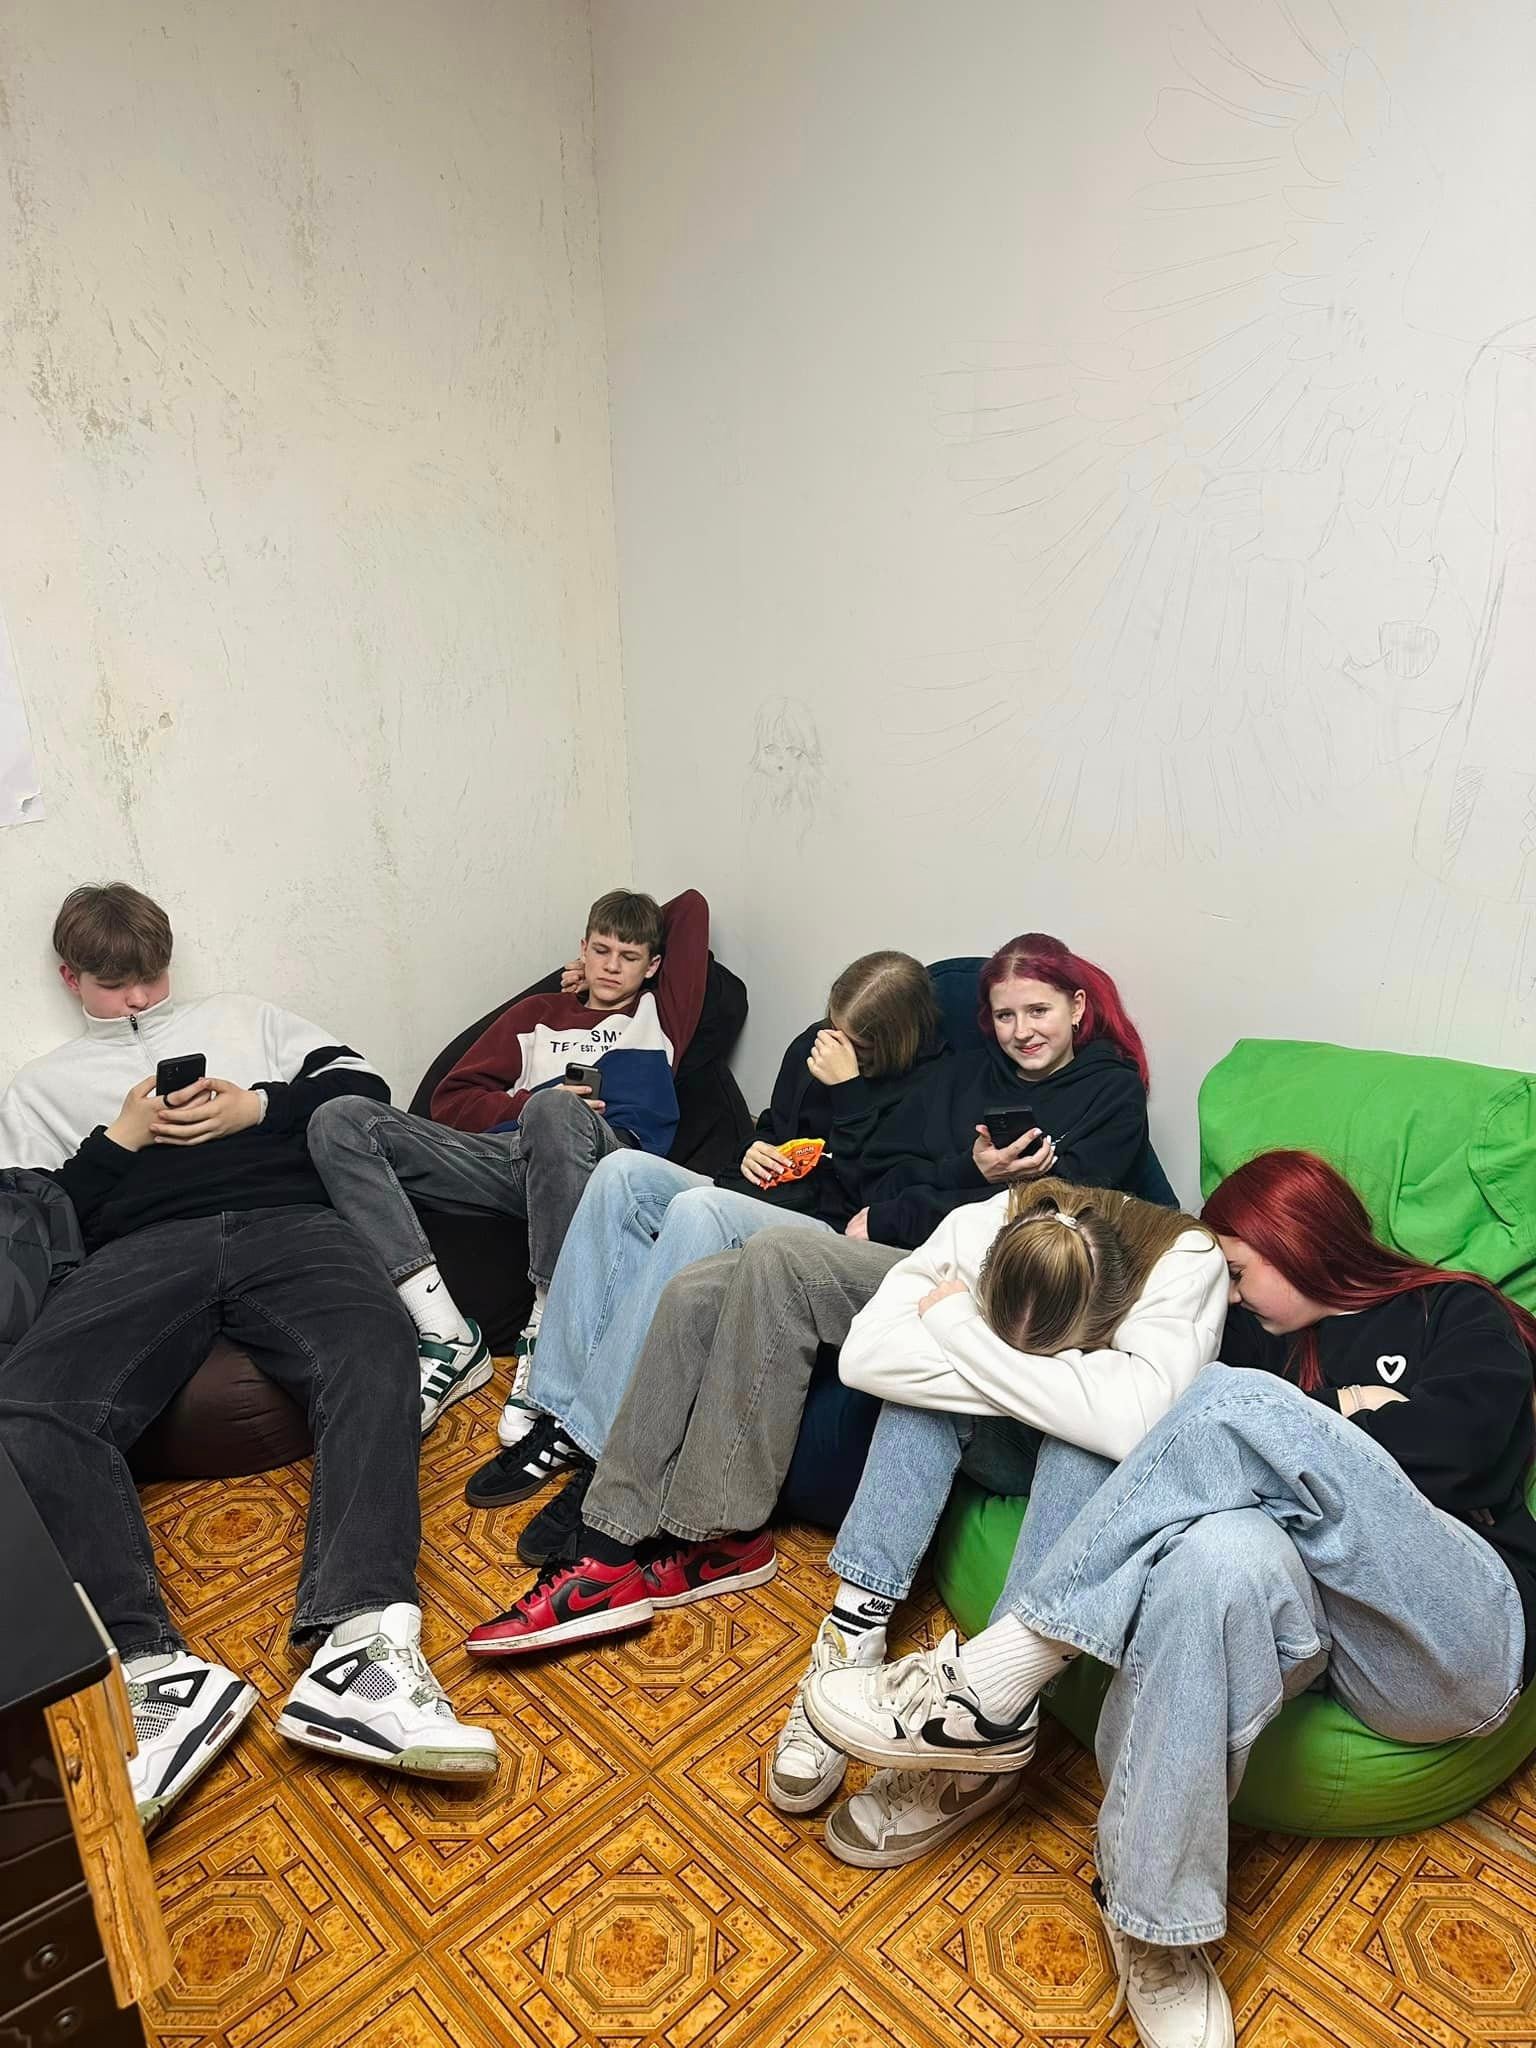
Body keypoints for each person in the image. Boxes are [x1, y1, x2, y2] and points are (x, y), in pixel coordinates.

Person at [801, 1151, 1536, 2048]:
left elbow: (1454, 1454)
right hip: (1307, 1632)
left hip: (1444, 1632)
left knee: (1230, 1408)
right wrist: (1334, 1425)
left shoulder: (1451, 1311)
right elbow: (1183, 1473)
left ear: (1302, 1241)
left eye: (1239, 1271)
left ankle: (998, 1678)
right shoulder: (1252, 1343)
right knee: (1217, 1554)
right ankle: (1156, 1924)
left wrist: (1300, 1437)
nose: (1231, 1295)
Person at [463, 937, 1161, 1655]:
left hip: (946, 1268)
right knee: (692, 1285)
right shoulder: (978, 1073)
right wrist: (958, 1172)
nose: (1022, 1030)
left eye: (1038, 1011)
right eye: (1006, 1015)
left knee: (757, 1247)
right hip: (887, 1231)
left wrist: (946, 1186)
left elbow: (1043, 1219)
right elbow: (923, 1173)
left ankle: (692, 1530)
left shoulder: (1105, 1089)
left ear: (1078, 1006)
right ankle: (608, 1531)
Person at [0, 883, 497, 1828]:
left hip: (287, 1222)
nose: (137, 1000)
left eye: (150, 978)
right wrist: (119, 1142)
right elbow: (36, 1213)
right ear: (70, 979)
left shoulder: (245, 1017)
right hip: (137, 1249)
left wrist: (256, 1108)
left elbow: (363, 1088)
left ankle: (362, 1645)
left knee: (376, 1350)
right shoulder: (40, 1086)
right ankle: (151, 1675)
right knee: (27, 1404)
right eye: (112, 985)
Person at [766, 1177, 1224, 1843]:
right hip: (1002, 1445)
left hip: (1093, 1484)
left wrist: (956, 1329)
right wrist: (1068, 1388)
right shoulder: (986, 1222)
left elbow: (1135, 1428)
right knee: (920, 1404)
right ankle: (850, 1634)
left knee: (1084, 1445)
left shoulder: (1186, 1263)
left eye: (1062, 1356)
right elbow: (865, 1359)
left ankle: (988, 1709)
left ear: (1105, 1320)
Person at [460, 950, 945, 1519]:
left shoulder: (936, 1088)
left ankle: (599, 1441)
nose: (832, 1044)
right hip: (763, 1197)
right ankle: (558, 1412)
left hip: (826, 1235)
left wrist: (852, 1093)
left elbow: (883, 1202)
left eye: (853, 1042)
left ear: (891, 1044)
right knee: (621, 1173)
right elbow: (772, 1128)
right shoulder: (810, 1047)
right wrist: (754, 1150)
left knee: (699, 1209)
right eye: (832, 1026)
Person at [308, 887, 708, 1433]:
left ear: (654, 965)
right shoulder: (537, 1014)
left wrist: (553, 1103)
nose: (612, 967)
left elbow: (691, 908)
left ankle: (549, 1338)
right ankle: (445, 1332)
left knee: (557, 1112)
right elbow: (450, 1101)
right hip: (512, 1159)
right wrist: (530, 1102)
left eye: (629, 957)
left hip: (611, 1167)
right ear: (582, 948)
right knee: (340, 1118)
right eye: (600, 951)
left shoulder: (660, 1014)